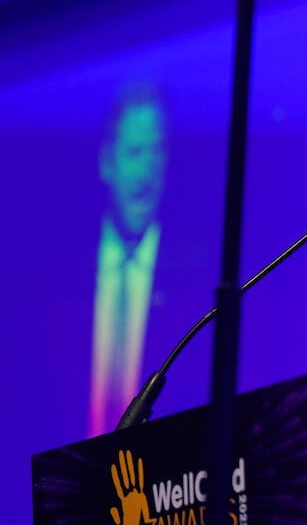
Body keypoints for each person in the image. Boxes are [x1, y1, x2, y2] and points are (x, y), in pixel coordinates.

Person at [89, 83, 168, 435]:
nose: (147, 171)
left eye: (158, 151)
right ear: (107, 162)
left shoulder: (196, 276)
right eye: (135, 152)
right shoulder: (55, 278)